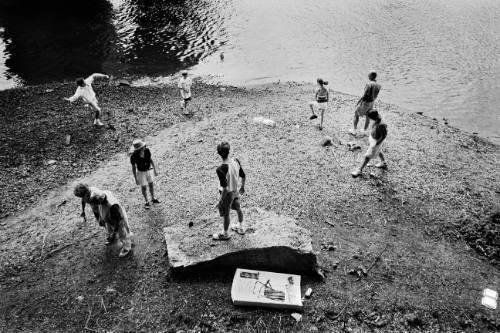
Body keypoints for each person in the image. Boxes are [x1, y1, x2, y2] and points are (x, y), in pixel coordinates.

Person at [74, 183, 132, 258]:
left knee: (122, 233)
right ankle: (115, 236)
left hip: (117, 219)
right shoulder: (100, 201)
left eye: (95, 203)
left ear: (98, 200)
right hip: (110, 219)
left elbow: (119, 219)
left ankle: (127, 247)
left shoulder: (112, 205)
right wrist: (101, 218)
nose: (94, 205)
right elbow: (100, 210)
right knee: (111, 229)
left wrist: (115, 230)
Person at [213, 142, 246, 240]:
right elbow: (243, 175)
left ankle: (225, 234)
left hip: (228, 194)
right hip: (235, 190)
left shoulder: (220, 169)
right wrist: (242, 187)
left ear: (219, 154)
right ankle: (240, 228)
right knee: (238, 208)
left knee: (226, 214)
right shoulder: (236, 161)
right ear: (228, 151)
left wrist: (220, 201)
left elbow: (225, 188)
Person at [351, 110, 387, 177]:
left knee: (367, 156)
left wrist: (376, 144)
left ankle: (359, 170)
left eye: (370, 118)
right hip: (375, 140)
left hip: (376, 142)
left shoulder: (381, 124)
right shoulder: (377, 119)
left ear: (373, 117)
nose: (369, 119)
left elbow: (384, 135)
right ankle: (383, 162)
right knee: (379, 151)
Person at [130, 139, 160, 209]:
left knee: (151, 184)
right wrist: (136, 179)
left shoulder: (147, 151)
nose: (144, 147)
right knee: (143, 187)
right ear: (139, 149)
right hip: (141, 172)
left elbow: (150, 159)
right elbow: (133, 167)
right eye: (142, 147)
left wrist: (155, 169)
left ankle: (153, 198)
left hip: (149, 170)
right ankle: (146, 201)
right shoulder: (133, 156)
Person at [350, 71, 381, 135]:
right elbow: (376, 95)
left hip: (365, 102)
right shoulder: (378, 85)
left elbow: (364, 95)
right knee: (368, 116)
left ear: (372, 76)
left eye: (369, 75)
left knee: (356, 114)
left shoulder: (369, 84)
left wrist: (358, 102)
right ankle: (364, 130)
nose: (368, 76)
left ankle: (354, 130)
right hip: (372, 103)